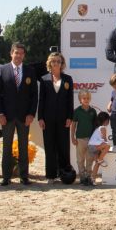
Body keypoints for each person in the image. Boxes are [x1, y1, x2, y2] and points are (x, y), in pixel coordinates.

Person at [0, 42, 38, 185]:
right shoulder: (3, 70)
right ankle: (6, 177)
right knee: (6, 147)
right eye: (16, 53)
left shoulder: (30, 71)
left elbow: (34, 95)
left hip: (24, 116)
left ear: (24, 55)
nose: (18, 55)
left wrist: (31, 114)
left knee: (23, 147)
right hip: (6, 117)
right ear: (11, 53)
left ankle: (24, 176)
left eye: (21, 53)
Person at [38, 52, 74, 184]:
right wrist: (40, 117)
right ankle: (50, 175)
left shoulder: (68, 79)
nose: (56, 63)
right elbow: (41, 100)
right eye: (53, 61)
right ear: (49, 63)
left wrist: (70, 116)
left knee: (63, 147)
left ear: (62, 63)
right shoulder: (44, 79)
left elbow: (70, 100)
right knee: (50, 147)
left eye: (58, 61)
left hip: (64, 118)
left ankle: (65, 174)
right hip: (47, 119)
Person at [71, 89, 97, 186]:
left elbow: (96, 126)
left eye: (87, 98)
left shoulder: (93, 111)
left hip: (91, 139)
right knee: (80, 159)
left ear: (90, 99)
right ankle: (82, 178)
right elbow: (73, 125)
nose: (86, 100)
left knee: (90, 158)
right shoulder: (77, 111)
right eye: (84, 98)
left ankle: (88, 177)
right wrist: (72, 137)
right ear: (80, 99)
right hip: (80, 139)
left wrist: (95, 139)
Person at [88, 111, 111, 186]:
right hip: (94, 146)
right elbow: (104, 140)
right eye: (108, 120)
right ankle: (100, 159)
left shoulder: (98, 128)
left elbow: (101, 141)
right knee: (108, 145)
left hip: (93, 147)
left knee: (97, 164)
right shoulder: (103, 127)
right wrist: (105, 149)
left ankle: (92, 179)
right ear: (106, 120)